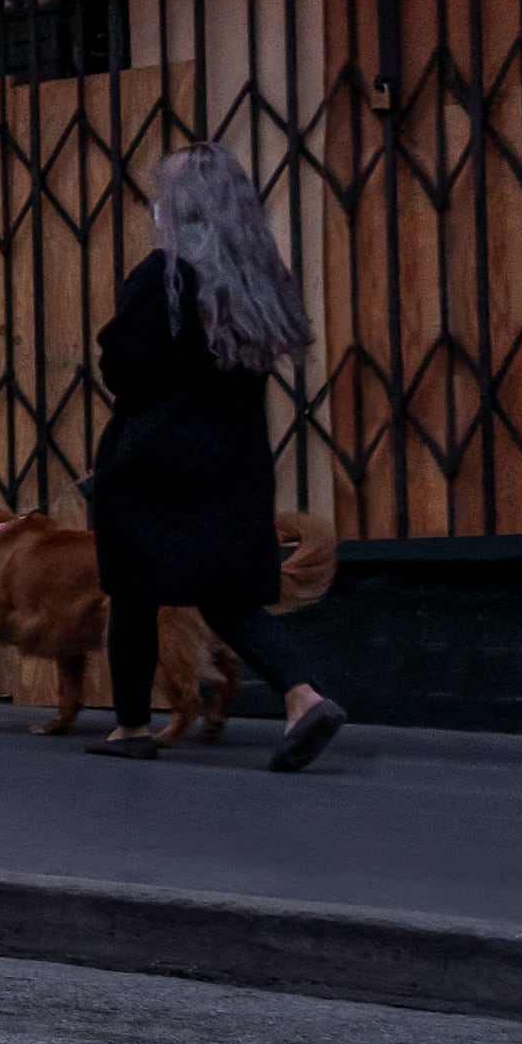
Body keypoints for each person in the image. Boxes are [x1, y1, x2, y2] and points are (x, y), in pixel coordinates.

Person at [84, 143, 344, 770]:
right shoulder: (254, 280)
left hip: (153, 459)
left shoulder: (163, 276)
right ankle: (303, 694)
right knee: (226, 595)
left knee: (133, 592)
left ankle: (131, 727)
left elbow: (123, 368)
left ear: (177, 208)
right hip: (232, 459)